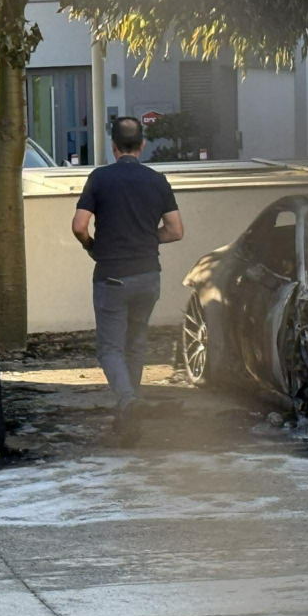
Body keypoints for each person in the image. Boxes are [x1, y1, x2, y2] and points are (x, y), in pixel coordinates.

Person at [71, 117, 184, 445]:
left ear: (114, 146)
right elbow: (176, 230)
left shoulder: (100, 178)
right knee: (135, 345)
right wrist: (146, 239)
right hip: (149, 276)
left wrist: (92, 246)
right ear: (142, 145)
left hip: (112, 276)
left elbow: (79, 225)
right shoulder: (157, 180)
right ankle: (130, 419)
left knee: (109, 349)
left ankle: (129, 402)